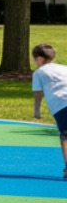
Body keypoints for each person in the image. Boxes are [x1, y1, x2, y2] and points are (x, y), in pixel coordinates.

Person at [31, 43, 67, 179]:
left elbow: (38, 93)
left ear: (39, 59)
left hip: (61, 105)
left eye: (35, 59)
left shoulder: (39, 73)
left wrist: (37, 110)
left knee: (65, 136)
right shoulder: (64, 68)